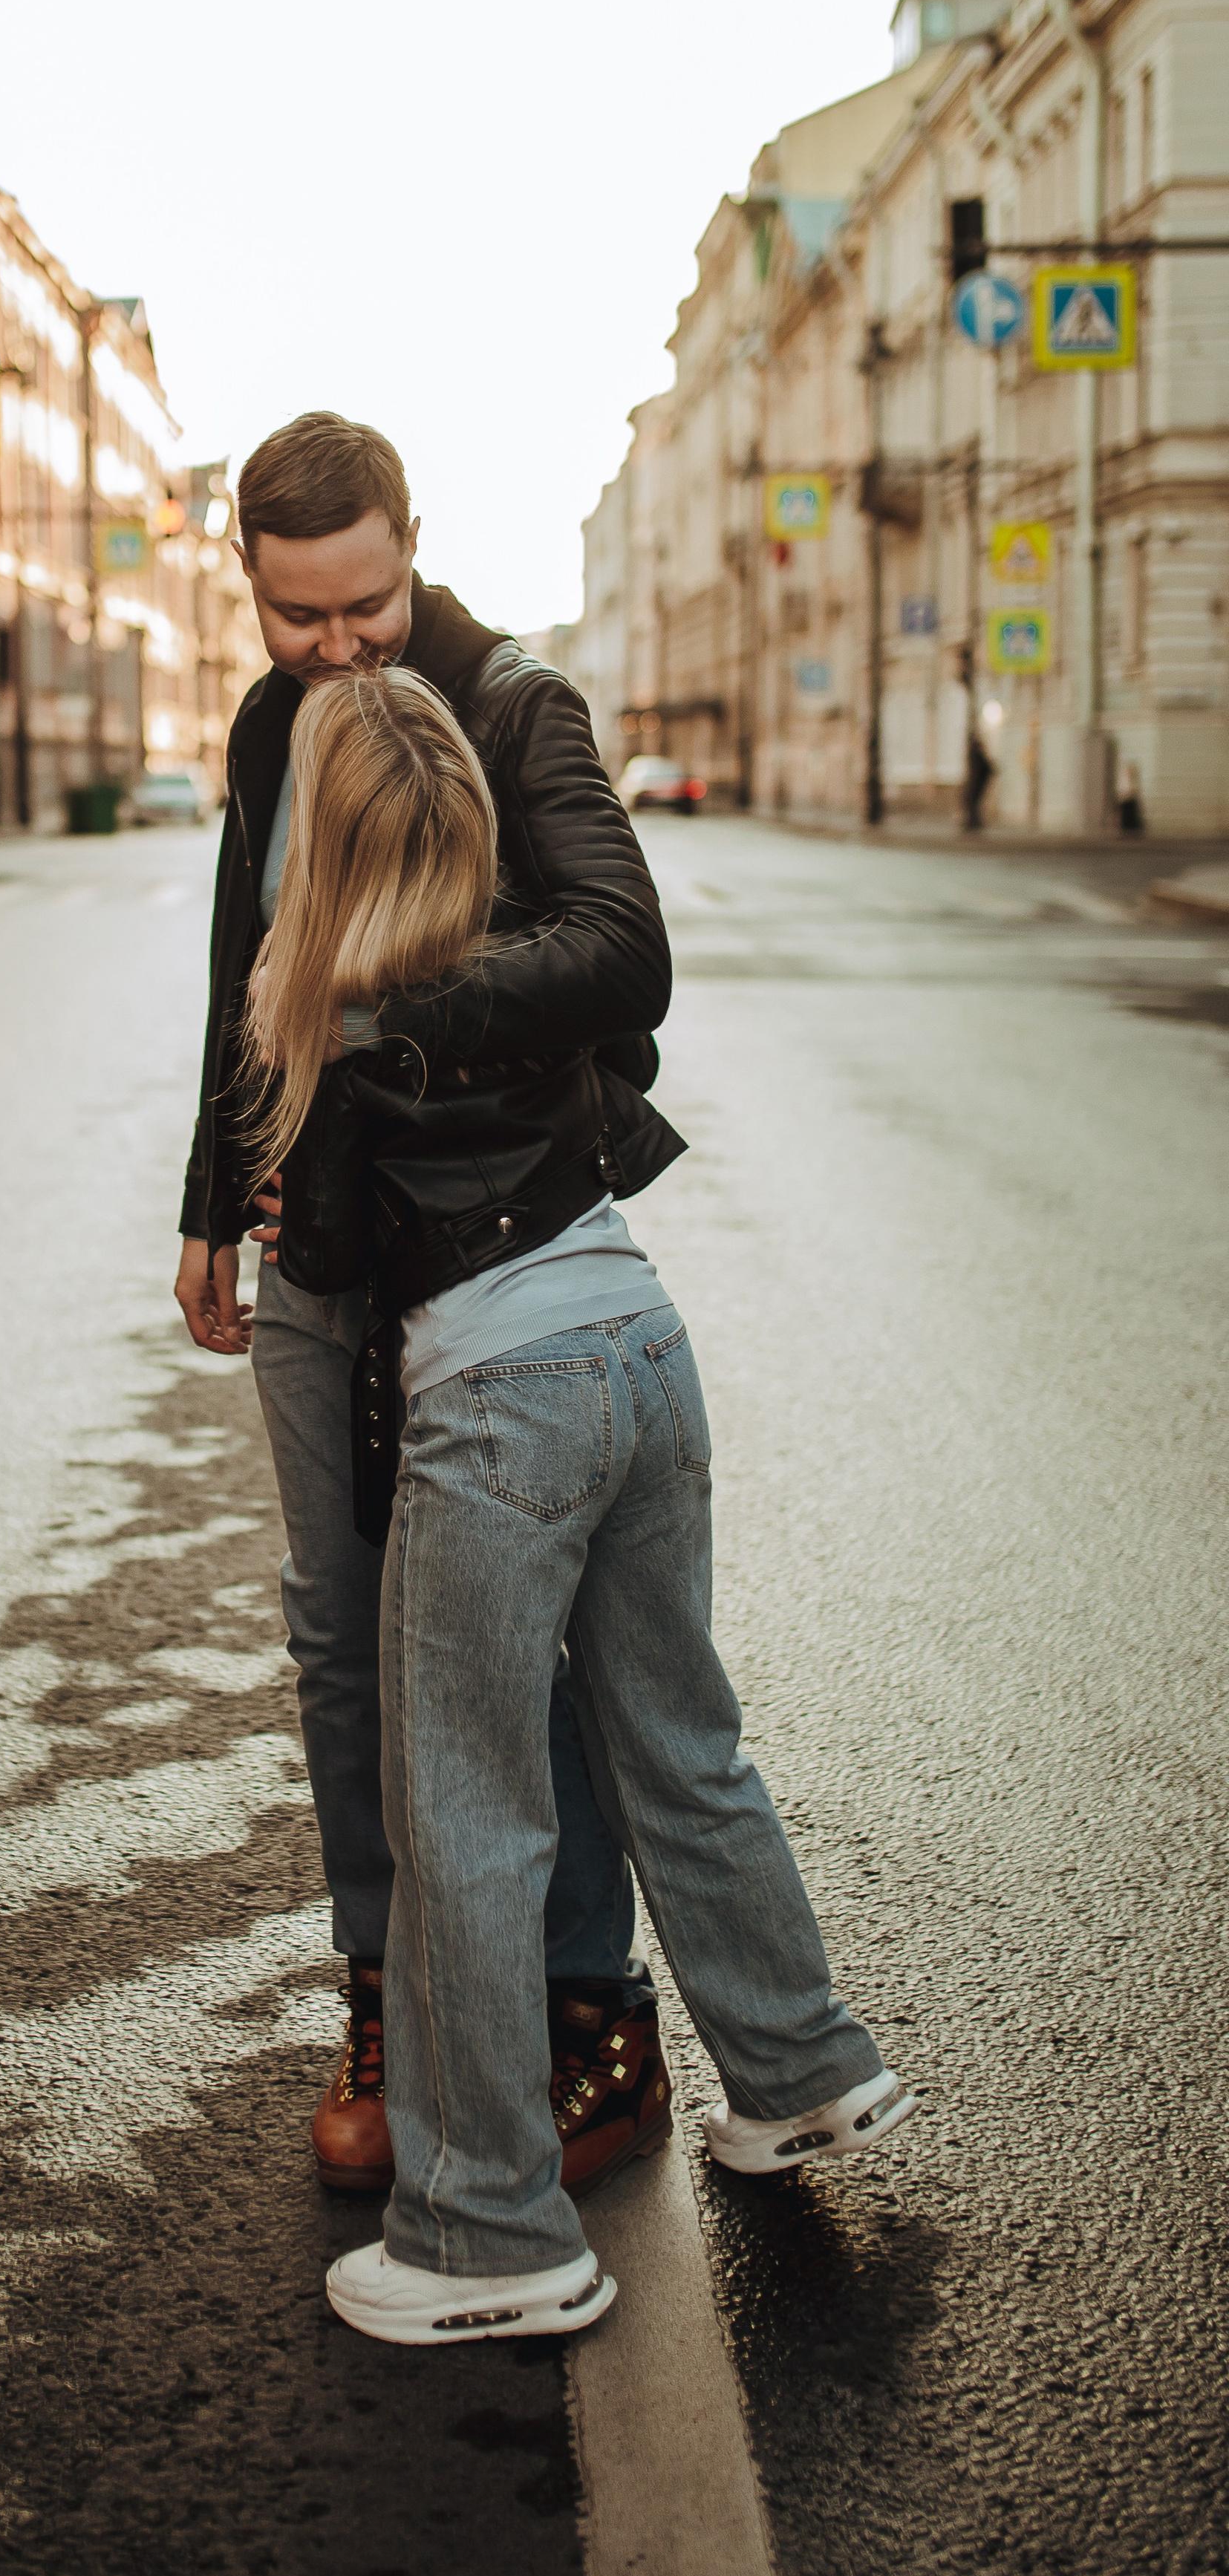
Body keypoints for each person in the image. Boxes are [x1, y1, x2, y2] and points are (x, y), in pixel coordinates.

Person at [245, 664, 915, 2348]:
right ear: (465, 822)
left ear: (316, 848)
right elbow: (620, 1040)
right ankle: (794, 2068)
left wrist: (279, 1196)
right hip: (637, 1340)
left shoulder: (338, 1017)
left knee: (462, 1810)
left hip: (496, 1404)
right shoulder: (528, 979)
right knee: (676, 1736)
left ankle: (484, 2231)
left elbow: (324, 1255)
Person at [175, 414, 674, 2202]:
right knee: (337, 1631)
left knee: (521, 1639)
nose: (339, 650)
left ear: (411, 547)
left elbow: (624, 954)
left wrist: (397, 1001)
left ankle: (579, 2012)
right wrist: (205, 1203)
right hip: (312, 1243)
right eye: (298, 616)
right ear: (249, 580)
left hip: (491, 1240)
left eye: (364, 603)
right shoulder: (264, 721)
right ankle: (387, 2003)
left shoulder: (511, 697)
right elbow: (250, 959)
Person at [963, 720, 997, 832]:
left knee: (973, 802)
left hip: (977, 783)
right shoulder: (976, 752)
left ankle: (973, 823)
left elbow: (985, 768)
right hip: (977, 782)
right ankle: (973, 822)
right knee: (973, 803)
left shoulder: (976, 753)